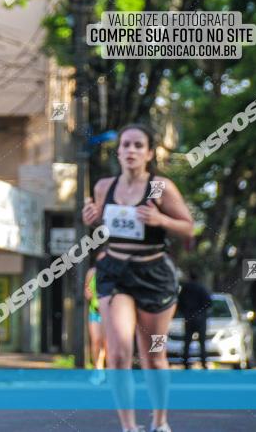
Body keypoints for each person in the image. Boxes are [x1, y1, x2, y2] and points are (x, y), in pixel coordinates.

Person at [82, 123, 194, 432]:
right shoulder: (105, 186)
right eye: (126, 145)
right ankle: (129, 427)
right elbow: (100, 224)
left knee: (153, 355)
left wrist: (160, 219)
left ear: (149, 153)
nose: (131, 150)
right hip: (115, 272)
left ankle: (160, 422)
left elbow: (188, 226)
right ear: (118, 151)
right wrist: (90, 219)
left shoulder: (159, 187)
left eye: (138, 145)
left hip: (154, 274)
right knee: (118, 354)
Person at [177, 269, 211, 369]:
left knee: (187, 341)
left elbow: (179, 302)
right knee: (202, 342)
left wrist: (184, 312)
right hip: (200, 318)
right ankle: (203, 363)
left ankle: (186, 362)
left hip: (188, 317)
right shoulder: (201, 288)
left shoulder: (185, 288)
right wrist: (202, 312)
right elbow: (209, 302)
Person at [86, 250, 108, 383]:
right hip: (95, 311)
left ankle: (106, 370)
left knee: (106, 344)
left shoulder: (113, 273)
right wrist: (89, 294)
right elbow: (87, 290)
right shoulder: (92, 273)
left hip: (108, 314)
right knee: (95, 341)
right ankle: (97, 369)